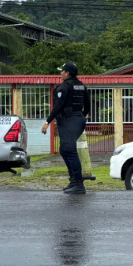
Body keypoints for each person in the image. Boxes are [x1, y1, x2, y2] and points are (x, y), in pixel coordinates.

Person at [41, 62, 91, 194]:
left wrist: (47, 122)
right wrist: (81, 117)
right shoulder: (81, 86)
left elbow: (58, 106)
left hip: (69, 120)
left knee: (70, 150)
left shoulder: (64, 87)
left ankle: (79, 185)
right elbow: (87, 105)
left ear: (67, 73)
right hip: (77, 120)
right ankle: (73, 180)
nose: (60, 73)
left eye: (62, 71)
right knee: (64, 150)